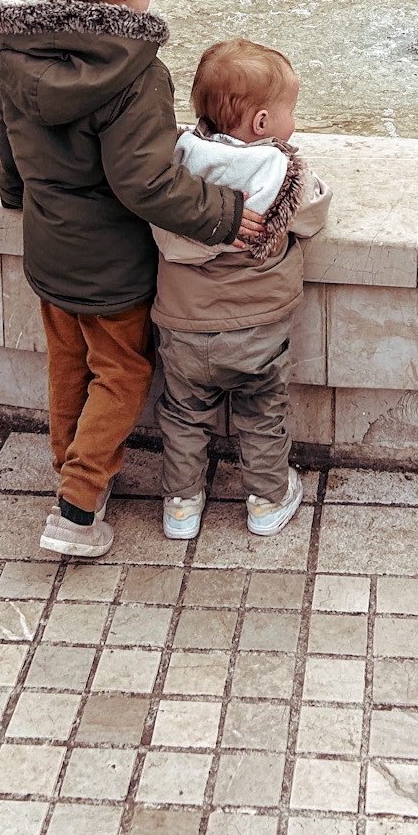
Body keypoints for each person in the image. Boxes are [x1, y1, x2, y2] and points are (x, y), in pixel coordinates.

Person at [0, 0, 269, 562]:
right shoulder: (135, 71)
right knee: (121, 371)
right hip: (113, 265)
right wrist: (224, 214)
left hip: (49, 254)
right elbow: (144, 181)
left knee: (67, 363)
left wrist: (13, 195)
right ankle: (77, 506)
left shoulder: (19, 52)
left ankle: (74, 473)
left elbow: (6, 139)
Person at [152, 39, 328, 541]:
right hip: (256, 329)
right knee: (261, 411)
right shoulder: (281, 171)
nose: (294, 120)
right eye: (290, 110)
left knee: (183, 413)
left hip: (184, 325)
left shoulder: (177, 167)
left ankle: (181, 506)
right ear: (262, 123)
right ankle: (267, 501)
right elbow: (311, 216)